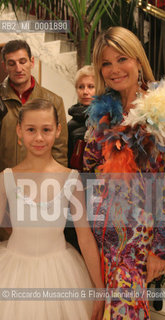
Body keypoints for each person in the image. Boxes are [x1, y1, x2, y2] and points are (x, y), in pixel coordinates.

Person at [83, 26, 165, 319]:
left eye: (122, 59)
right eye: (106, 63)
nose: (114, 69)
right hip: (98, 243)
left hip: (135, 247)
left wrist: (160, 248)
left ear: (137, 60)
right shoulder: (104, 113)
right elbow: (90, 165)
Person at [0, 98, 104, 320]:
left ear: (57, 130)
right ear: (19, 131)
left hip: (61, 274)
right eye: (31, 129)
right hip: (13, 272)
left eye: (46, 129)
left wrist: (99, 289)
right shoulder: (6, 179)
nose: (38, 137)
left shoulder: (71, 179)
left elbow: (84, 236)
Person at [0, 40, 68, 172]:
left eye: (22, 61)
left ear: (32, 62)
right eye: (12, 63)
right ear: (4, 66)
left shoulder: (54, 101)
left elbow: (60, 151)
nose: (18, 69)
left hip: (41, 182)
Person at [67, 65, 95, 168]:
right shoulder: (70, 125)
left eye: (91, 86)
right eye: (81, 87)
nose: (85, 92)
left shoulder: (107, 119)